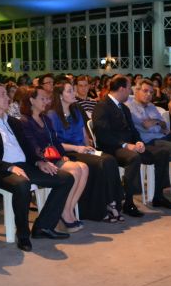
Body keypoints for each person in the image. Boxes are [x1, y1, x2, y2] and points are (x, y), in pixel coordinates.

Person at [0, 83, 74, 252]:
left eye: (7, 94)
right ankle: (23, 234)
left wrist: (39, 162)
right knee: (22, 184)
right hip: (1, 170)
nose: (8, 98)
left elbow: (28, 147)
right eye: (3, 95)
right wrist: (9, 167)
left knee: (65, 178)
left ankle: (43, 226)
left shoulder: (14, 122)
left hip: (25, 166)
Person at [92, 75, 171, 217]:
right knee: (133, 157)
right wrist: (126, 145)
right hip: (112, 148)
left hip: (129, 145)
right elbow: (103, 134)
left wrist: (139, 142)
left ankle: (158, 196)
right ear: (121, 89)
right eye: (129, 88)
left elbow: (133, 131)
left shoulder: (123, 108)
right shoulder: (102, 106)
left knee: (162, 153)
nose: (130, 92)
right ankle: (128, 203)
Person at [48, 81, 126, 221]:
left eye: (73, 90)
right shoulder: (52, 115)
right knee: (101, 163)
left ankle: (112, 202)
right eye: (69, 91)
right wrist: (78, 148)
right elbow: (54, 143)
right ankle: (101, 208)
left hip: (81, 149)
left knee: (109, 159)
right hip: (68, 152)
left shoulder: (76, 110)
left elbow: (84, 133)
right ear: (60, 96)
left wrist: (90, 148)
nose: (74, 93)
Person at [20, 86, 88, 232]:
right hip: (40, 161)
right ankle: (65, 214)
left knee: (84, 167)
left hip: (53, 157)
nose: (46, 101)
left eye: (47, 98)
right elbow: (31, 145)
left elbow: (55, 141)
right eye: (42, 98)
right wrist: (42, 160)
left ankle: (67, 210)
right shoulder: (25, 121)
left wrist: (62, 154)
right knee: (76, 169)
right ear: (31, 100)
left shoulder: (45, 118)